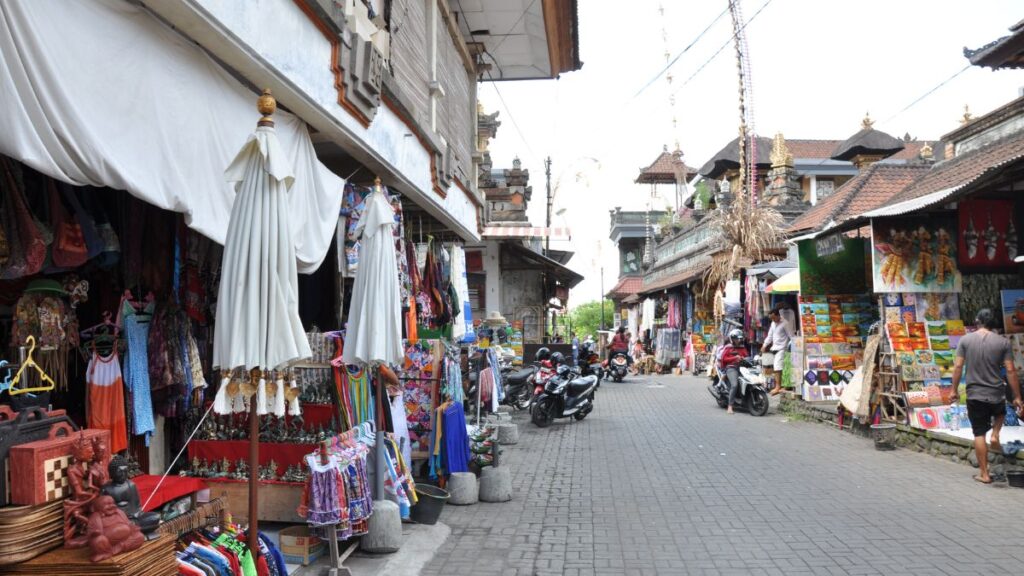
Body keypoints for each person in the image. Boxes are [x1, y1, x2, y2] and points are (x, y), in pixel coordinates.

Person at [951, 308, 1023, 484]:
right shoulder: (1003, 342)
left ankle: (984, 474)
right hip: (996, 392)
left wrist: (953, 390)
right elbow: (1011, 370)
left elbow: (958, 367)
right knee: (1000, 414)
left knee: (979, 433)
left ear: (977, 322)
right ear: (993, 324)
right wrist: (1018, 396)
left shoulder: (966, 340)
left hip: (975, 394)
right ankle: (996, 434)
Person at [761, 309, 792, 396]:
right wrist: (764, 345)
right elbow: (770, 336)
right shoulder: (773, 324)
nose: (773, 320)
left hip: (782, 348)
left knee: (778, 367)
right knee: (774, 368)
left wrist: (790, 348)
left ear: (778, 315)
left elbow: (791, 336)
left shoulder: (785, 323)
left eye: (774, 318)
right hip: (774, 348)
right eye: (771, 319)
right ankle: (779, 385)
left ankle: (778, 387)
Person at [719, 328, 748, 414]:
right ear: (732, 339)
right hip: (732, 368)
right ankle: (730, 406)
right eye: (736, 339)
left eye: (740, 338)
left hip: (743, 368)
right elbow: (723, 359)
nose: (739, 340)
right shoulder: (729, 347)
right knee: (734, 385)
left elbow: (746, 355)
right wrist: (734, 358)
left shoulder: (742, 347)